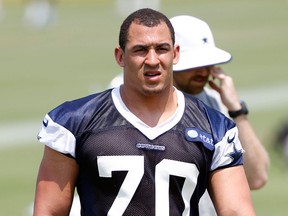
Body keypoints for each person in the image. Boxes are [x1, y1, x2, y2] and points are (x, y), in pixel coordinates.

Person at [33, 8, 256, 215]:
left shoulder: (215, 128)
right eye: (140, 50)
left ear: (175, 54)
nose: (152, 60)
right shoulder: (74, 122)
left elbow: (237, 211)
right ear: (120, 56)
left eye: (162, 49)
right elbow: (49, 211)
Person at [169, 15, 270, 215]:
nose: (204, 72)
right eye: (194, 65)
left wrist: (237, 111)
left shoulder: (215, 102)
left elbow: (256, 177)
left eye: (208, 63)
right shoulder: (130, 99)